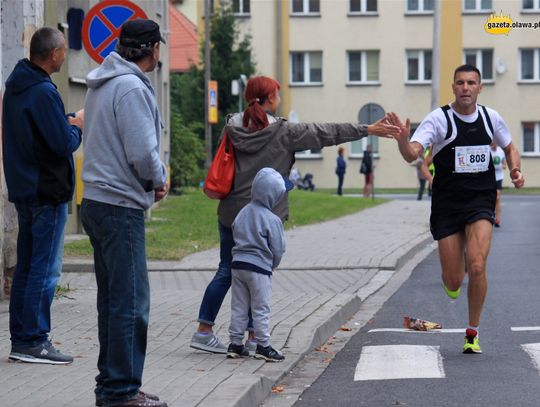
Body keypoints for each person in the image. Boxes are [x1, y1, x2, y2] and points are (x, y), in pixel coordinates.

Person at [190, 75, 400, 354]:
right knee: (259, 273)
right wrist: (366, 129)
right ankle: (254, 337)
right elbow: (326, 132)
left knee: (228, 270)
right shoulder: (284, 132)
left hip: (232, 214)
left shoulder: (231, 126)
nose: (280, 97)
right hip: (265, 218)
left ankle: (204, 331)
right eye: (277, 93)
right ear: (269, 99)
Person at [390, 64, 525, 354]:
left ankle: (472, 332)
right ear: (453, 87)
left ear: (480, 88)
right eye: (460, 83)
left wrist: (515, 169)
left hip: (480, 201)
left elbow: (511, 147)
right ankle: (457, 263)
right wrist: (403, 139)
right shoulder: (439, 119)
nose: (466, 87)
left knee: (477, 265)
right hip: (447, 205)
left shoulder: (491, 118)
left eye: (471, 82)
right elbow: (413, 153)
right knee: (453, 281)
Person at [80, 19, 169, 407]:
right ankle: (121, 391)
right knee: (131, 303)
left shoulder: (101, 84)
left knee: (113, 301)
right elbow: (141, 153)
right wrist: (158, 179)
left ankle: (112, 385)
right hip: (119, 206)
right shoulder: (131, 87)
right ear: (152, 48)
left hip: (97, 201)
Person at [2, 27, 83, 365]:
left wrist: (63, 123)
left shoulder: (17, 87)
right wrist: (77, 126)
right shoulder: (44, 91)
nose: (64, 56)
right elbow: (61, 143)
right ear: (53, 54)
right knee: (44, 269)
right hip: (46, 190)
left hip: (23, 188)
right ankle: (36, 340)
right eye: (63, 51)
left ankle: (22, 339)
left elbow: (39, 132)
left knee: (25, 267)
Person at [227, 167, 287, 362]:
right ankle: (263, 345)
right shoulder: (272, 219)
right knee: (260, 308)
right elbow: (278, 248)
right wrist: (272, 264)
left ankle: (235, 344)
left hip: (238, 265)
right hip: (259, 268)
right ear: (274, 195)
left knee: (239, 306)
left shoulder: (242, 212)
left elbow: (235, 231)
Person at [490, 142, 506, 227]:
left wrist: (500, 166)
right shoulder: (487, 150)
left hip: (498, 177)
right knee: (491, 198)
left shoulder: (501, 151)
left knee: (497, 197)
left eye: (494, 143)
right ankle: (491, 215)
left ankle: (497, 219)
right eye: (491, 144)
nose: (493, 145)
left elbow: (504, 165)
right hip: (488, 177)